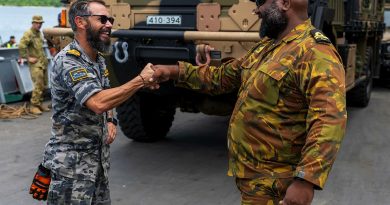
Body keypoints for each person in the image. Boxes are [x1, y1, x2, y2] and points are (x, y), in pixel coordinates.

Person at [149, 0, 347, 204]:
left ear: (285, 3)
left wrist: (306, 181)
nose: (256, 9)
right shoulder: (268, 46)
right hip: (253, 179)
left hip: (276, 184)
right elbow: (223, 77)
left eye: (261, 2)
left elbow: (328, 119)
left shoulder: (315, 52)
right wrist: (173, 71)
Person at [28, 0, 155, 204]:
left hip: (97, 167)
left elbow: (107, 92)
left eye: (110, 19)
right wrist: (140, 80)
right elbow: (97, 102)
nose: (109, 24)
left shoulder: (98, 59)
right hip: (71, 171)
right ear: (81, 22)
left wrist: (112, 121)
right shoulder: (69, 61)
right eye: (102, 19)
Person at [18, 15, 50, 115]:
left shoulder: (39, 33)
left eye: (40, 23)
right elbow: (22, 45)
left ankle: (39, 103)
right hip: (35, 64)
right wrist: (27, 58)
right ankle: (33, 106)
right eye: (37, 23)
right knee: (38, 85)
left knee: (44, 85)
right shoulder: (29, 33)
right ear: (33, 23)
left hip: (42, 62)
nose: (39, 25)